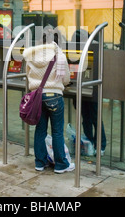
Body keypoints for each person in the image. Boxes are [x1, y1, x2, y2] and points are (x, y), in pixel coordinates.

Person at [23, 30, 73, 173]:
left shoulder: (31, 55)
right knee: (57, 131)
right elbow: (66, 79)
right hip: (54, 96)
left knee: (40, 130)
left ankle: (40, 163)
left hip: (37, 98)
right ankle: (61, 165)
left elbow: (28, 75)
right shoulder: (59, 55)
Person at [71, 29, 107, 156]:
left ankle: (100, 145)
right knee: (86, 119)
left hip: (92, 88)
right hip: (80, 88)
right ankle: (90, 143)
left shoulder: (95, 47)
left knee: (95, 118)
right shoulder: (74, 50)